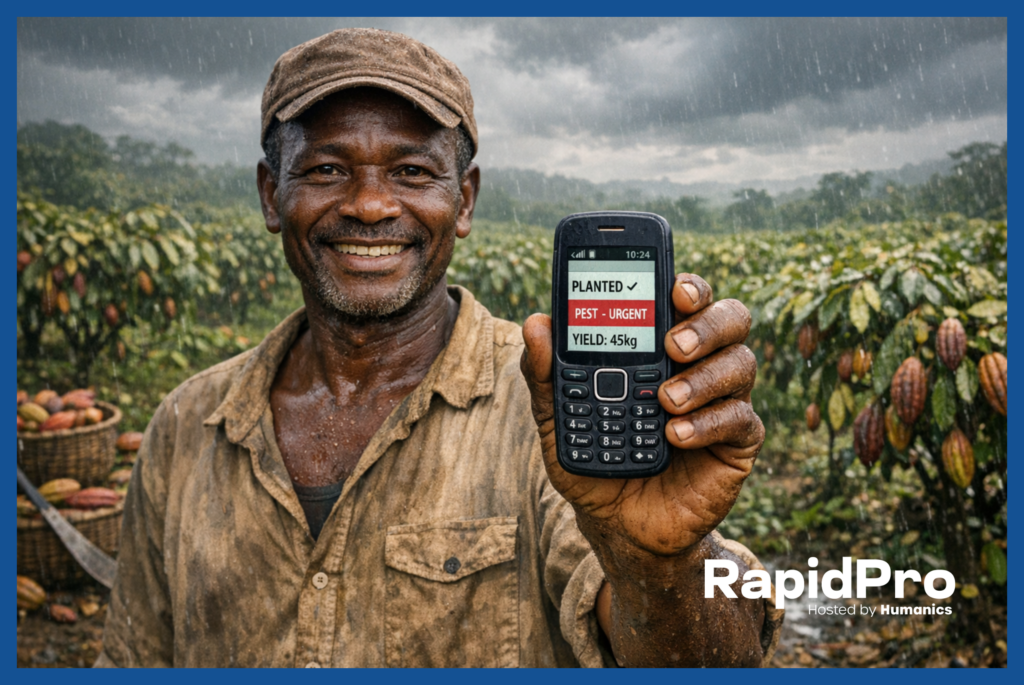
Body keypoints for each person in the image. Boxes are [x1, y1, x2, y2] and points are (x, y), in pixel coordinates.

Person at [96, 28, 782, 668]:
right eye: (327, 169)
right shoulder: (187, 427)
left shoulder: (543, 411)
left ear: (465, 201)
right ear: (273, 195)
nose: (369, 205)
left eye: (414, 172)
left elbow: (700, 653)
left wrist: (657, 567)